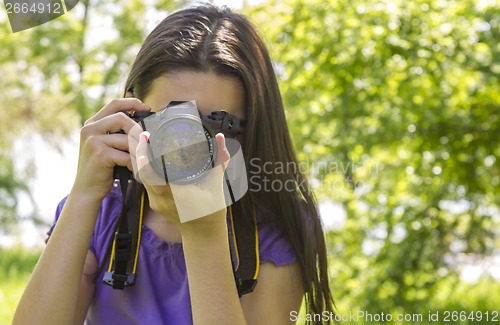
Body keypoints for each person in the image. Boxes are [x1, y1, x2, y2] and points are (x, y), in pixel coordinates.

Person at [14, 4, 335, 324]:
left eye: (215, 125)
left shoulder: (272, 230)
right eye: (173, 118)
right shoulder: (104, 213)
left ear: (249, 133)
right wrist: (84, 193)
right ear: (131, 111)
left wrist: (203, 232)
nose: (189, 142)